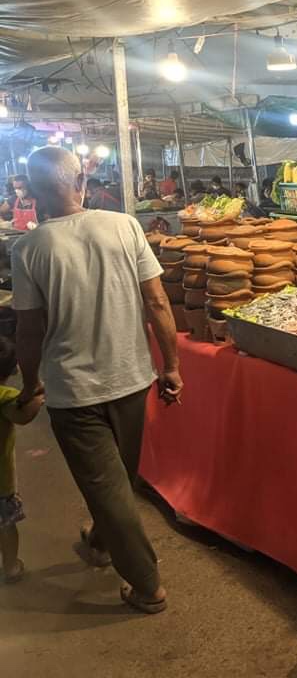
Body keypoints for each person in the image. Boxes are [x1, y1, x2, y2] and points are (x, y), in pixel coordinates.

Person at [12, 146, 183, 614]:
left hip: (74, 390)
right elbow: (158, 303)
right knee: (117, 481)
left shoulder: (28, 248)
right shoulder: (123, 226)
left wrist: (30, 386)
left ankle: (148, 586)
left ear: (32, 191)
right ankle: (102, 543)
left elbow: (30, 330)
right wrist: (170, 365)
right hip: (131, 378)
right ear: (80, 183)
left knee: (107, 487)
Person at [0, 337, 46, 583]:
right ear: (14, 369)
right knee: (5, 525)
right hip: (1, 480)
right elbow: (22, 416)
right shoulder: (5, 396)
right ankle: (11, 566)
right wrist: (37, 398)